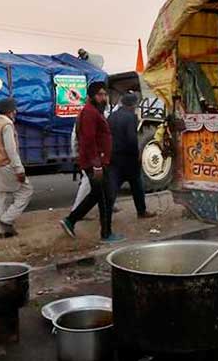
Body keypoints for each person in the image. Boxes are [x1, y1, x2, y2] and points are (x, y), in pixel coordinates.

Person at [60, 81, 124, 243]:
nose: (103, 98)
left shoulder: (95, 111)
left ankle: (71, 220)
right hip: (96, 163)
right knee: (105, 197)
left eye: (105, 94)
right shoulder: (89, 112)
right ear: (91, 96)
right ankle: (105, 233)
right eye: (100, 94)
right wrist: (96, 164)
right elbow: (88, 140)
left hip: (99, 161)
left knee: (98, 195)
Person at [108, 91, 156, 219]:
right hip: (128, 158)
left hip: (113, 155)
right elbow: (131, 139)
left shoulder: (112, 116)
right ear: (133, 105)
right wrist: (138, 154)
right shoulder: (131, 117)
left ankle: (108, 208)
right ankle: (141, 211)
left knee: (114, 185)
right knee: (137, 185)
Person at [0, 98, 33, 238]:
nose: (15, 112)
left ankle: (4, 232)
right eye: (14, 109)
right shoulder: (7, 125)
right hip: (8, 164)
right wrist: (19, 169)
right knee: (26, 191)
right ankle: (6, 221)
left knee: (3, 196)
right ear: (9, 111)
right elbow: (11, 150)